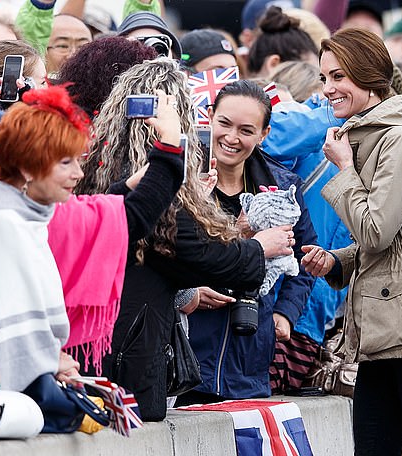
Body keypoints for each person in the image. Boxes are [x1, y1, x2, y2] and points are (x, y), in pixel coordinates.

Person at [78, 58, 294, 421]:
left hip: (92, 344)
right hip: (125, 356)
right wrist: (260, 247)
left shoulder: (95, 166)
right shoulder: (150, 175)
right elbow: (194, 252)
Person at [302, 28, 402, 456]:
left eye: (339, 76)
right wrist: (335, 263)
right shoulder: (364, 138)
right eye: (323, 78)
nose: (328, 89)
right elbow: (384, 243)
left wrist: (342, 170)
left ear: (370, 75)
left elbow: (376, 230)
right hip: (379, 334)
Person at [0, 83, 186, 392]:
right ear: (28, 167)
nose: (80, 174)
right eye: (66, 162)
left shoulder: (10, 199)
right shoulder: (6, 221)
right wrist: (171, 145)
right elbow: (131, 219)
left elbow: (95, 214)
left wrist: (130, 185)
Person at [179, 79, 316, 403]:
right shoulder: (179, 175)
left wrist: (285, 312)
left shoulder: (282, 185)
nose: (231, 138)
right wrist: (187, 292)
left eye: (246, 130)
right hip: (186, 352)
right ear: (209, 116)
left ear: (264, 134)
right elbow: (155, 249)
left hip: (249, 357)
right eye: (224, 123)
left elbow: (308, 258)